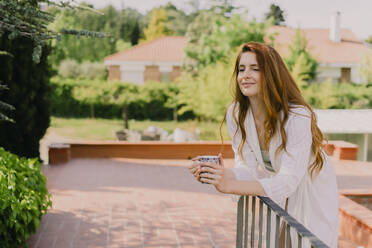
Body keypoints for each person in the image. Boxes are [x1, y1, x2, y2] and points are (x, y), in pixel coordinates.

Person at [188, 42, 338, 247]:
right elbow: (246, 168)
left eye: (255, 69)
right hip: (280, 183)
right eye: (241, 69)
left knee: (306, 242)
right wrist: (220, 175)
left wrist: (231, 185)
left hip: (311, 187)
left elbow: (288, 181)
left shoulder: (297, 116)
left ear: (271, 75)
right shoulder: (236, 113)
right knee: (277, 242)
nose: (245, 75)